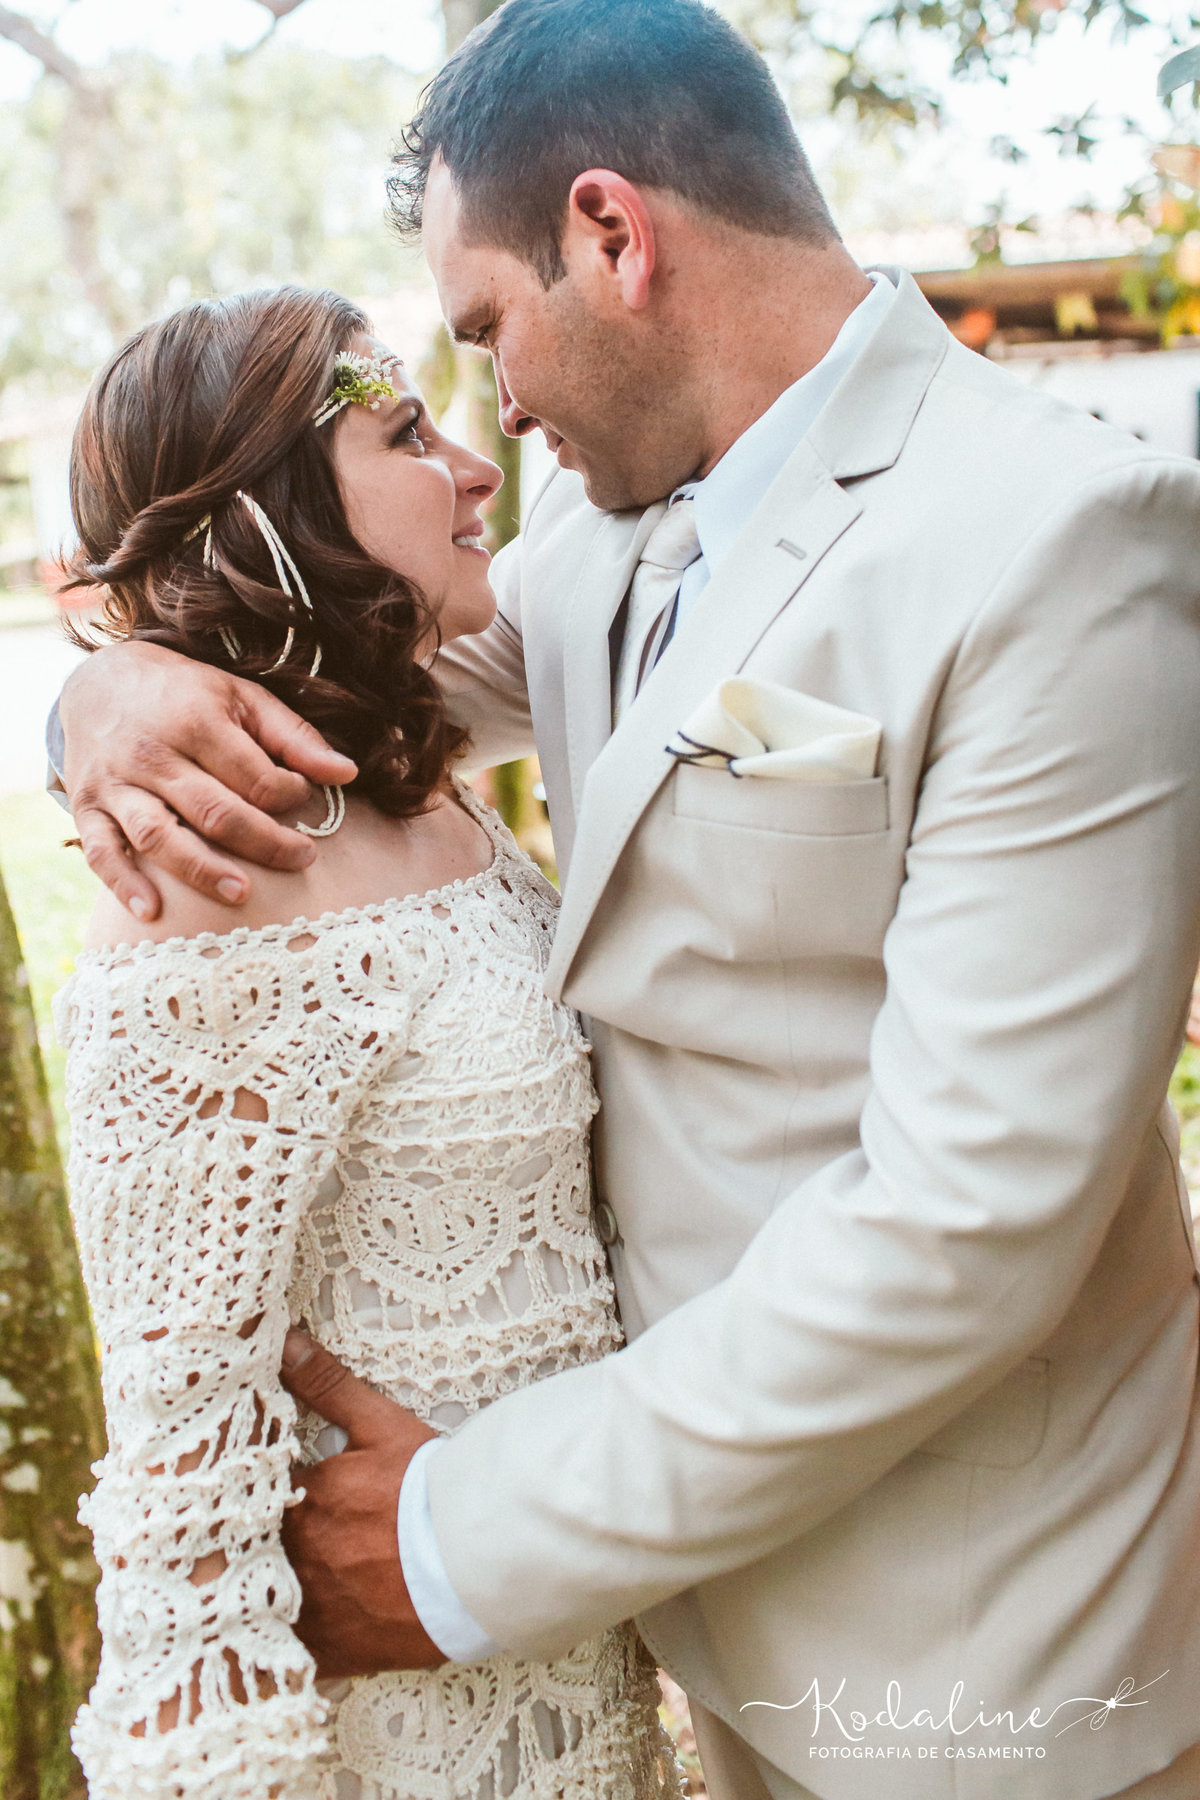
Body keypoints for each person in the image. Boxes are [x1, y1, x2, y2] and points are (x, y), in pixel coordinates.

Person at [52, 1, 1200, 1796]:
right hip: (672, 1625)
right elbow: (326, 674)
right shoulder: (596, 542)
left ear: (614, 235)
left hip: (973, 1640)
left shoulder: (1062, 541)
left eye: (489, 331)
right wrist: (102, 695)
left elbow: (970, 1217)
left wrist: (457, 1541)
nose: (492, 412)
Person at [55, 284, 682, 1800]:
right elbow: (181, 1476)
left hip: (550, 1635)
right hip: (389, 1713)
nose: (479, 471)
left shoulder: (413, 775)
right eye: (410, 433)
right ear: (271, 517)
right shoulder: (215, 883)